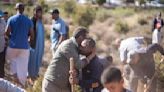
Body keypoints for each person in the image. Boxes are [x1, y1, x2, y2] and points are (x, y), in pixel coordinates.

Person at [42, 27, 95, 92]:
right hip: (53, 84)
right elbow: (79, 64)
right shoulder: (68, 45)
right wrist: (91, 56)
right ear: (80, 37)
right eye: (85, 38)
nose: (86, 40)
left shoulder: (74, 47)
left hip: (63, 86)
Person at [5, 3, 34, 86]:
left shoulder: (11, 19)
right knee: (23, 68)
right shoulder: (28, 20)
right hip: (24, 48)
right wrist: (27, 40)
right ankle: (21, 86)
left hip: (13, 46)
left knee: (13, 64)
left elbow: (6, 33)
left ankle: (14, 83)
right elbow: (32, 35)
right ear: (23, 9)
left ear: (15, 9)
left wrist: (12, 37)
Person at [28, 5, 45, 84]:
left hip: (40, 44)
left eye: (40, 12)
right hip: (33, 45)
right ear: (34, 12)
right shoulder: (32, 20)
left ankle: (35, 76)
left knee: (38, 59)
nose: (39, 13)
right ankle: (31, 78)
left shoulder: (40, 21)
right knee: (32, 60)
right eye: (38, 11)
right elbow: (29, 33)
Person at [0, 10, 6, 78]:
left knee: (1, 61)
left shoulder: (3, 21)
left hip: (2, 43)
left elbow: (6, 31)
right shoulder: (3, 21)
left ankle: (1, 75)